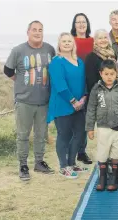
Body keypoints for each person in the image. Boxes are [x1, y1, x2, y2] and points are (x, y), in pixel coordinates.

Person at [4, 20, 55, 181]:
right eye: (34, 30)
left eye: (40, 30)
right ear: (28, 32)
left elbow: (54, 70)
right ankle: (23, 165)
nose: (37, 32)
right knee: (23, 135)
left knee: (41, 134)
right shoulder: (18, 50)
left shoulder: (49, 49)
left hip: (43, 101)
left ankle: (39, 162)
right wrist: (21, 83)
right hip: (24, 101)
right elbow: (8, 70)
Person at [86, 60, 118, 191]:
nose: (109, 77)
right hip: (103, 127)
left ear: (116, 74)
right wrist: (90, 128)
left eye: (112, 74)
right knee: (102, 153)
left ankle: (113, 179)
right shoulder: (96, 89)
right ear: (101, 74)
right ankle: (102, 178)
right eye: (106, 74)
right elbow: (91, 108)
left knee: (117, 153)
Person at [47, 32, 88, 179]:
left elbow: (84, 81)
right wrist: (73, 101)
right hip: (63, 104)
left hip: (79, 105)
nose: (66, 43)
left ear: (73, 44)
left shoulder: (80, 61)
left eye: (69, 41)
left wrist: (83, 98)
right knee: (64, 135)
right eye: (63, 41)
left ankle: (72, 163)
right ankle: (63, 167)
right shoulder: (56, 62)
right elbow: (60, 85)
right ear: (59, 44)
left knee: (79, 134)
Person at [71, 13, 93, 164]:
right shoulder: (70, 41)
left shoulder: (93, 41)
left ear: (87, 24)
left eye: (83, 22)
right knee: (74, 118)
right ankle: (71, 150)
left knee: (85, 118)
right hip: (75, 82)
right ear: (74, 25)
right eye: (78, 22)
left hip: (90, 82)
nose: (81, 24)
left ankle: (81, 151)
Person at [85, 29, 118, 94]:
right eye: (100, 38)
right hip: (99, 95)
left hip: (114, 94)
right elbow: (90, 81)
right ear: (95, 41)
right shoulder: (91, 57)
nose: (103, 40)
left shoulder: (113, 55)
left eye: (105, 37)